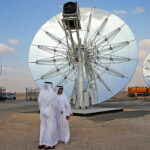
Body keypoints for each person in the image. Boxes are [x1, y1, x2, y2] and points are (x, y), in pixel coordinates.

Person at [38, 82, 58, 149]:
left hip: (42, 112)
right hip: (49, 112)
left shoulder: (41, 93)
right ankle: (48, 144)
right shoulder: (52, 93)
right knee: (50, 127)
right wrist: (60, 110)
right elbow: (55, 105)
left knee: (43, 127)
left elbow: (39, 102)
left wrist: (41, 109)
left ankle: (41, 143)